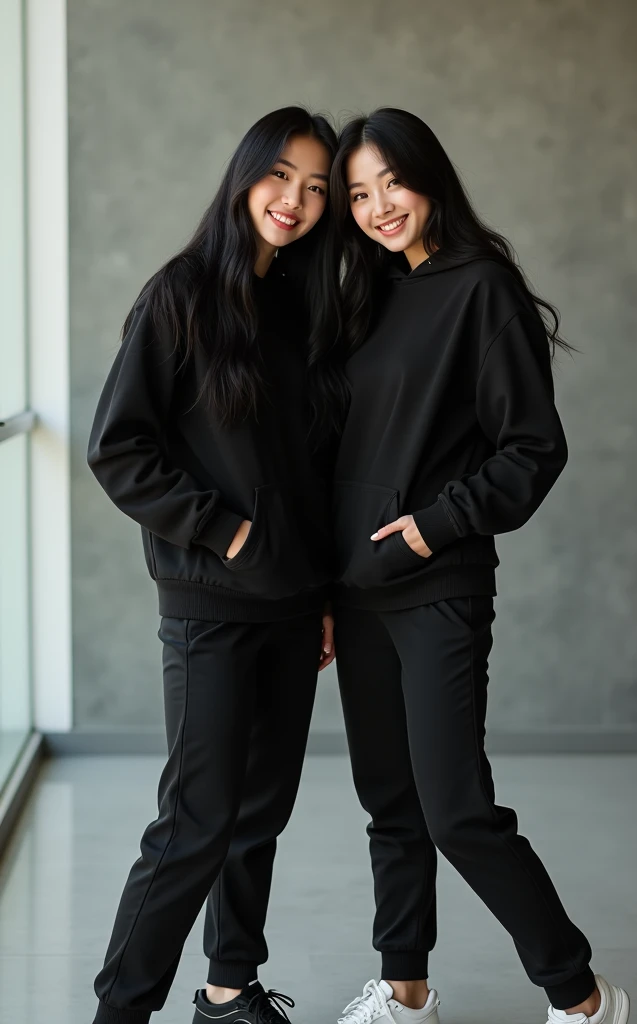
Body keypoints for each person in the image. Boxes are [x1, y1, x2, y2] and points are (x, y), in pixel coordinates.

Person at [327, 108, 630, 1024]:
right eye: (357, 193)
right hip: (358, 591)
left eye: (391, 182)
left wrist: (432, 526)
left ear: (429, 178)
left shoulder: (481, 288)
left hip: (437, 584)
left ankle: (581, 998)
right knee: (390, 800)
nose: (379, 206)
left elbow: (533, 447)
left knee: (456, 807)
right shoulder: (371, 294)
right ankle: (404, 987)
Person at [87, 106, 340, 1024]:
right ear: (245, 177)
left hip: (289, 604)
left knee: (261, 812)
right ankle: (121, 1011)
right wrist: (225, 534)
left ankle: (228, 991)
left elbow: (311, 471)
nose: (296, 200)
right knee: (194, 821)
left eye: (317, 187)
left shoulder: (299, 307)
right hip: (211, 604)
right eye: (281, 176)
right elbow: (119, 449)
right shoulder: (181, 293)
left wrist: (316, 593)